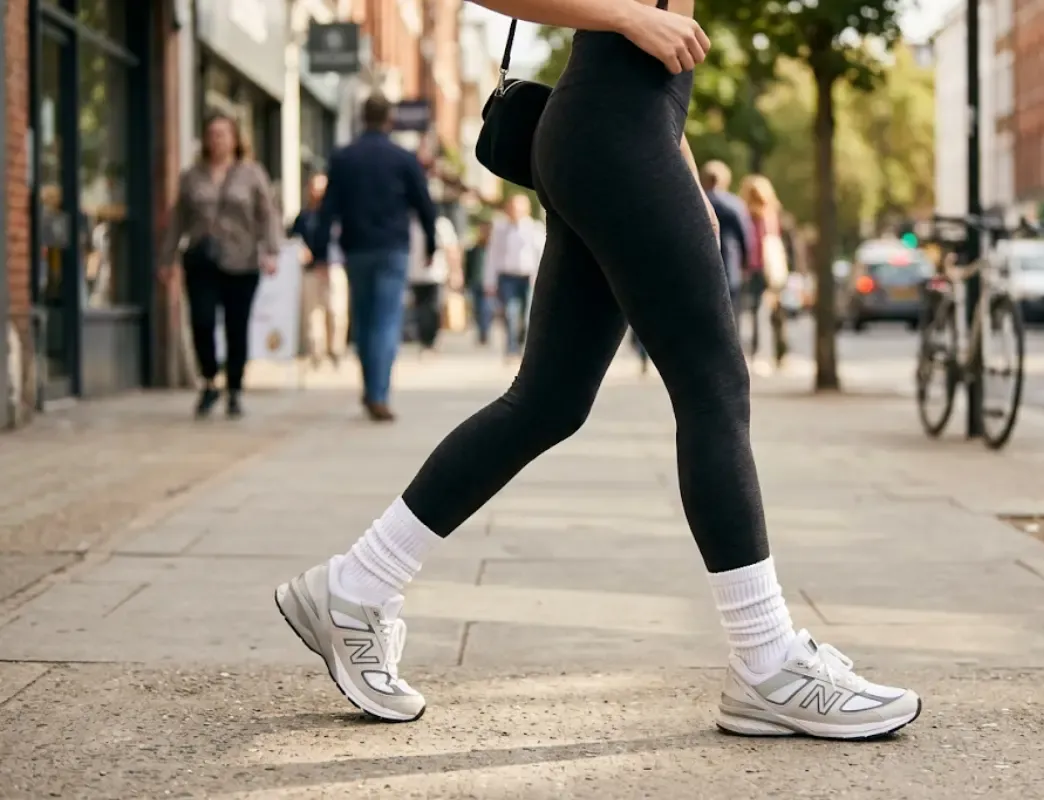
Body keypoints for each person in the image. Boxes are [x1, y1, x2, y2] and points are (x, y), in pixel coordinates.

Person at [275, 0, 920, 740]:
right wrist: (627, 19)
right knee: (714, 387)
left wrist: (680, 170)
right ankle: (766, 658)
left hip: (620, 133)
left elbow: (657, 56)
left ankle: (359, 583)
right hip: (613, 134)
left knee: (548, 401)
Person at [313, 93, 438, 423]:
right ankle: (378, 393)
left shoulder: (344, 157)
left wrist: (320, 251)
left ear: (362, 117)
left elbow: (328, 208)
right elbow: (425, 205)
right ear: (389, 120)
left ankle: (371, 388)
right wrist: (432, 245)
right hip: (392, 248)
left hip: (356, 248)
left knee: (365, 320)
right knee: (386, 321)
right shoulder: (403, 159)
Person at [161, 111, 281, 419]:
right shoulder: (192, 176)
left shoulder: (252, 173)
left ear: (235, 139)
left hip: (242, 260)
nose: (217, 140)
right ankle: (209, 380)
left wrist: (271, 251)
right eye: (212, 134)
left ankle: (235, 388)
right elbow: (177, 220)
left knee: (236, 326)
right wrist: (167, 258)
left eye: (223, 134)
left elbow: (267, 214)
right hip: (201, 258)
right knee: (201, 321)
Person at [290, 173, 346, 369]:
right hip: (311, 270)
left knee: (337, 311)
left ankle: (336, 350)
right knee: (313, 314)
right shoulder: (304, 217)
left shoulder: (336, 216)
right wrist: (303, 251)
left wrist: (329, 261)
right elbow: (294, 239)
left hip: (333, 267)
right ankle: (316, 353)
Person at [739, 174, 789, 375]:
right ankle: (768, 355)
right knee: (763, 314)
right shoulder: (763, 215)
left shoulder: (765, 216)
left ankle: (771, 354)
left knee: (764, 313)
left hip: (764, 270)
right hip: (764, 270)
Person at [485, 195, 545, 360]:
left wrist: (540, 277)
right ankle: (511, 349)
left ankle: (523, 345)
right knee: (510, 313)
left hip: (528, 277)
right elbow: (493, 256)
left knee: (527, 315)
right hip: (508, 277)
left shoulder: (534, 229)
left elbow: (540, 255)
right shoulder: (500, 229)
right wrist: (490, 282)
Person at [700, 160, 753, 309]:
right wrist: (746, 262)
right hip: (729, 263)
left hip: (701, 265)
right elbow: (745, 236)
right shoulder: (735, 204)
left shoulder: (696, 202)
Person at [407, 214, 461, 356]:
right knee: (419, 311)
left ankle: (431, 341)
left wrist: (455, 272)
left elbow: (451, 249)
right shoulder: (409, 222)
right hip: (414, 275)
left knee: (433, 309)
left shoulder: (441, 224)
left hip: (436, 275)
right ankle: (425, 342)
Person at [463, 218, 494, 346]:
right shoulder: (473, 249)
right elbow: (467, 267)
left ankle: (484, 333)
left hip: (489, 284)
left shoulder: (494, 249)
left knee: (486, 309)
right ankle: (481, 333)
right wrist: (465, 283)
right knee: (476, 310)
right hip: (475, 283)